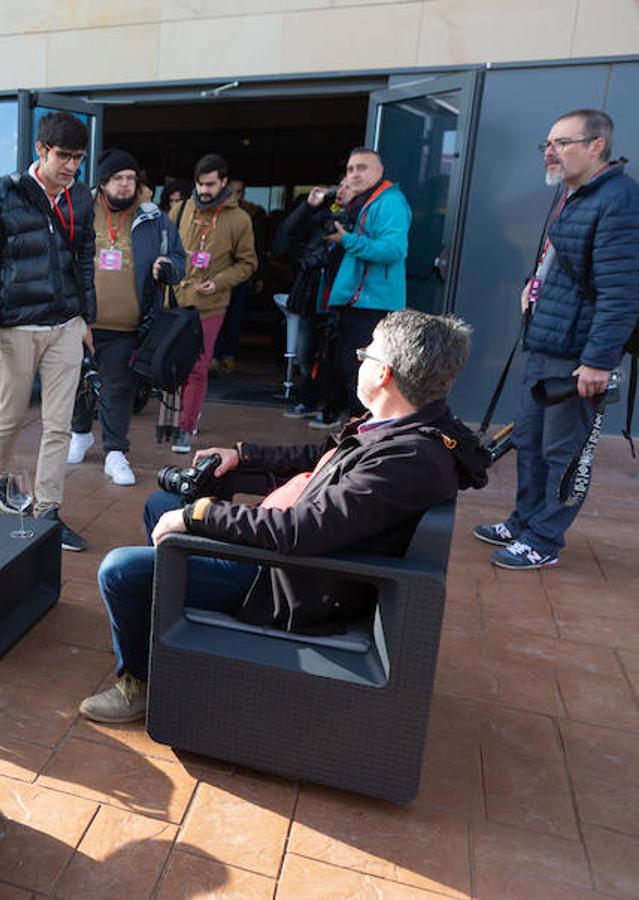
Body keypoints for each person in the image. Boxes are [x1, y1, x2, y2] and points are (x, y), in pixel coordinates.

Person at [78, 310, 489, 722]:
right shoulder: (401, 428)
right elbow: (321, 457)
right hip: (295, 562)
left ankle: (140, 683)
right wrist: (242, 456)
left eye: (366, 353)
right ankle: (171, 636)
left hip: (289, 583)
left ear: (384, 374)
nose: (358, 359)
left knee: (120, 571)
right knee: (160, 506)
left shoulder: (407, 458)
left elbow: (302, 532)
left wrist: (201, 516)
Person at [474, 108, 639, 570]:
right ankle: (524, 520)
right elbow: (564, 260)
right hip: (546, 343)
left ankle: (544, 540)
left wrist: (599, 362)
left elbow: (622, 292)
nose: (550, 151)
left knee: (563, 453)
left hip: (577, 355)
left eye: (562, 143)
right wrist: (535, 285)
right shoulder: (571, 193)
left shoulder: (619, 200)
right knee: (528, 440)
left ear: (596, 146)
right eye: (547, 143)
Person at [0, 111, 97, 551]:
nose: (72, 166)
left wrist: (85, 320)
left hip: (65, 326)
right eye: (64, 156)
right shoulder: (0, 197)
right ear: (41, 150)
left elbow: (85, 262)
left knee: (59, 424)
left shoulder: (80, 198)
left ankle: (47, 511)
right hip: (16, 327)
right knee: (13, 414)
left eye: (79, 158)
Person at [67, 148, 186, 486]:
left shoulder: (153, 217)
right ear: (103, 182)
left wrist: (169, 267)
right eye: (118, 178)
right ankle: (79, 434)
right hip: (81, 319)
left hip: (127, 324)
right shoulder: (82, 209)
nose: (125, 184)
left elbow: (179, 257)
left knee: (118, 388)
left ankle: (115, 452)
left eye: (130, 178)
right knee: (74, 382)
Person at [312, 148, 411, 430]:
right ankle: (358, 429)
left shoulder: (389, 202)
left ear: (379, 172)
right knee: (348, 368)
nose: (354, 173)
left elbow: (393, 250)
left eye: (362, 168)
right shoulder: (362, 203)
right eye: (351, 168)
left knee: (363, 372)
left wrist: (346, 240)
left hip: (372, 304)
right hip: (355, 302)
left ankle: (367, 432)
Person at [167, 154, 258, 452]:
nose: (204, 189)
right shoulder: (180, 210)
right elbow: (166, 250)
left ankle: (185, 426)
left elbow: (248, 263)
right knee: (176, 366)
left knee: (197, 367)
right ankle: (185, 413)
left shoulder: (239, 218)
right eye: (200, 183)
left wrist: (218, 281)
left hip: (211, 303)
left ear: (223, 182)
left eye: (210, 184)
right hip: (177, 301)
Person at [275, 179, 356, 419]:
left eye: (348, 187)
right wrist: (308, 207)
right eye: (339, 186)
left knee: (335, 358)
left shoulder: (361, 221)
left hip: (343, 301)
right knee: (305, 355)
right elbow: (284, 239)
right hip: (312, 297)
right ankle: (309, 401)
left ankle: (331, 409)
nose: (341, 191)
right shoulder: (322, 219)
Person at [211, 179, 266, 374]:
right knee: (216, 316)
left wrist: (259, 276)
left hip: (241, 274)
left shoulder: (251, 216)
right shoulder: (216, 214)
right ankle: (214, 356)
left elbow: (258, 248)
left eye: (239, 191)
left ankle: (228, 355)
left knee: (234, 318)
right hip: (217, 273)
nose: (235, 195)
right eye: (232, 191)